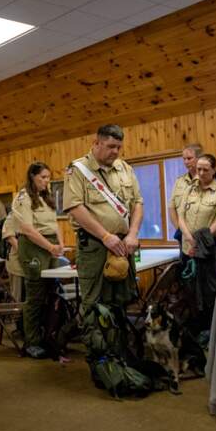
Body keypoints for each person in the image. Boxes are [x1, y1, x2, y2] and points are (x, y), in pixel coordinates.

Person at [63, 124, 143, 314]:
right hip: (95, 245)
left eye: (118, 147)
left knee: (123, 300)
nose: (115, 151)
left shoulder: (124, 168)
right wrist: (106, 236)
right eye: (110, 146)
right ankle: (98, 344)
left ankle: (119, 344)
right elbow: (75, 207)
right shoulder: (78, 170)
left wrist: (132, 234)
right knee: (95, 304)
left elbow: (138, 203)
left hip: (123, 245)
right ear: (96, 143)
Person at [12, 162, 65, 358]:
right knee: (35, 296)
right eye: (43, 177)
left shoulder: (46, 197)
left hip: (50, 246)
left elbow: (55, 223)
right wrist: (50, 247)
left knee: (51, 293)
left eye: (48, 177)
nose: (46, 181)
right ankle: (31, 342)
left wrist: (60, 244)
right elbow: (28, 229)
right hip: (34, 247)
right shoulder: (24, 198)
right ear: (32, 176)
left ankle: (48, 336)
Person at [177, 154, 216, 258]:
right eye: (199, 169)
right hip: (188, 249)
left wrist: (199, 243)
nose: (201, 173)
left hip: (211, 250)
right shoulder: (189, 190)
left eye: (205, 170)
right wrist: (191, 241)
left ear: (214, 170)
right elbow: (180, 217)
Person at [168, 143, 202, 241]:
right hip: (183, 235)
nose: (186, 162)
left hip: (202, 235)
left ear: (199, 158)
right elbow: (172, 207)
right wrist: (179, 229)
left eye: (189, 158)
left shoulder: (205, 179)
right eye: (184, 159)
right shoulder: (179, 181)